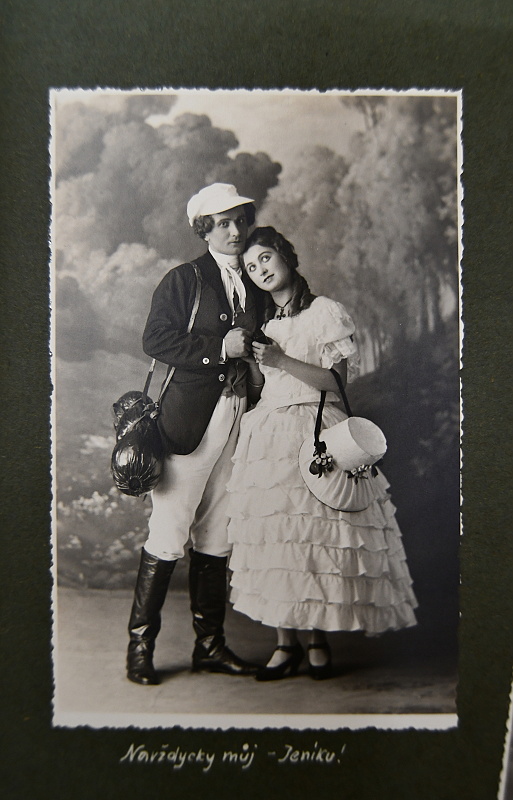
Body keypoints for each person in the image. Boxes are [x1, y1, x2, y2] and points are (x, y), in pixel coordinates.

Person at [226, 227, 418, 681]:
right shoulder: (264, 324)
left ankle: (316, 640)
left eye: (266, 258)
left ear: (286, 256)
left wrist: (281, 360)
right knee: (281, 536)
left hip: (316, 427)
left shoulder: (325, 311)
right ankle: (284, 644)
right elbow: (264, 386)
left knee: (319, 535)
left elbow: (337, 381)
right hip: (270, 433)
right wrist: (255, 363)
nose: (261, 270)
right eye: (251, 267)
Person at [126, 183, 262, 685]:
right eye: (223, 223)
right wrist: (219, 349)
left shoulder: (255, 279)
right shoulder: (185, 278)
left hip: (239, 419)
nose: (235, 231)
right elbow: (155, 339)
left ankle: (210, 646)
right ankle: (140, 647)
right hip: (187, 425)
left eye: (240, 221)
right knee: (168, 533)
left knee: (218, 532)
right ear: (204, 229)